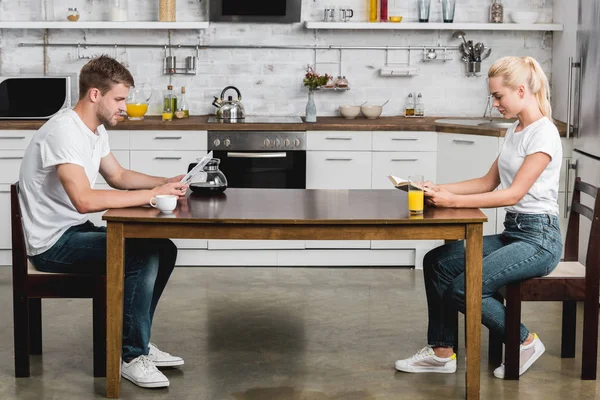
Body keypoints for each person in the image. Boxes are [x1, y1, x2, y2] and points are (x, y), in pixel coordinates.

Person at [19, 55, 188, 389]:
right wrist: (152, 196)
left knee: (163, 249)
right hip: (52, 244)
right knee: (142, 255)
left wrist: (165, 181)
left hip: (73, 232)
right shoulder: (63, 132)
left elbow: (118, 176)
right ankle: (130, 355)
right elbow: (85, 200)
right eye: (120, 99)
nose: (124, 107)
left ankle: (136, 340)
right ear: (95, 94)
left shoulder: (93, 131)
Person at [394, 56, 563, 379]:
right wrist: (438, 188)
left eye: (499, 96)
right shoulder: (517, 130)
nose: (495, 103)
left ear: (522, 91)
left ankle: (524, 340)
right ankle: (441, 352)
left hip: (539, 239)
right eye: (493, 96)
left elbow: (513, 194)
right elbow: (488, 182)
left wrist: (454, 202)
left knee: (463, 287)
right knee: (438, 262)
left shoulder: (544, 134)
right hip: (514, 233)